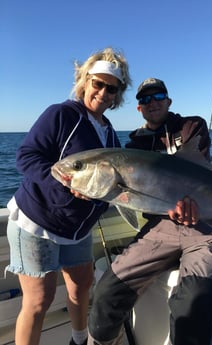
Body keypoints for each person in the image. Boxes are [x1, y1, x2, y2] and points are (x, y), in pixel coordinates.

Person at [87, 78, 212, 345]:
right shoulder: (134, 147)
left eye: (158, 96)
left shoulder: (192, 126)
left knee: (194, 304)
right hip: (161, 229)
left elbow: (199, 172)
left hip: (208, 225)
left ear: (168, 101)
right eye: (144, 99)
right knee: (107, 292)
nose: (152, 102)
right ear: (139, 109)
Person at [5, 47, 131, 345]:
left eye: (110, 88)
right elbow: (26, 156)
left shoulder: (111, 135)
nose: (102, 92)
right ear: (84, 81)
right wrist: (62, 187)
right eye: (97, 83)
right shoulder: (62, 114)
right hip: (37, 222)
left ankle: (78, 340)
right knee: (39, 300)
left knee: (82, 287)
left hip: (77, 230)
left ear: (116, 95)